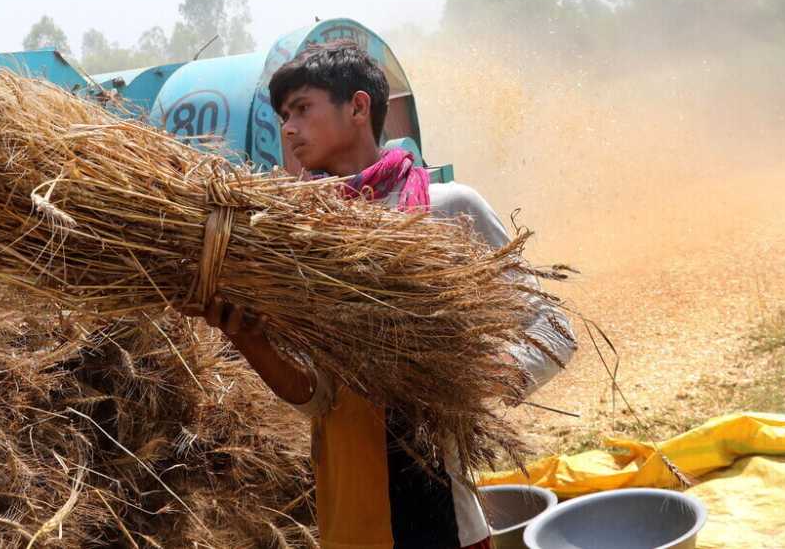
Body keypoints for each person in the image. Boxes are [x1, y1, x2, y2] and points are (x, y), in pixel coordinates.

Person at [198, 42, 577, 549]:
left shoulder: (449, 210)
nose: (288, 128)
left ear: (358, 107)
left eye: (303, 109)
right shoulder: (301, 238)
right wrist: (248, 340)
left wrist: (474, 376)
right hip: (351, 522)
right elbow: (318, 399)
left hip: (440, 513)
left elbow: (552, 326)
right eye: (284, 115)